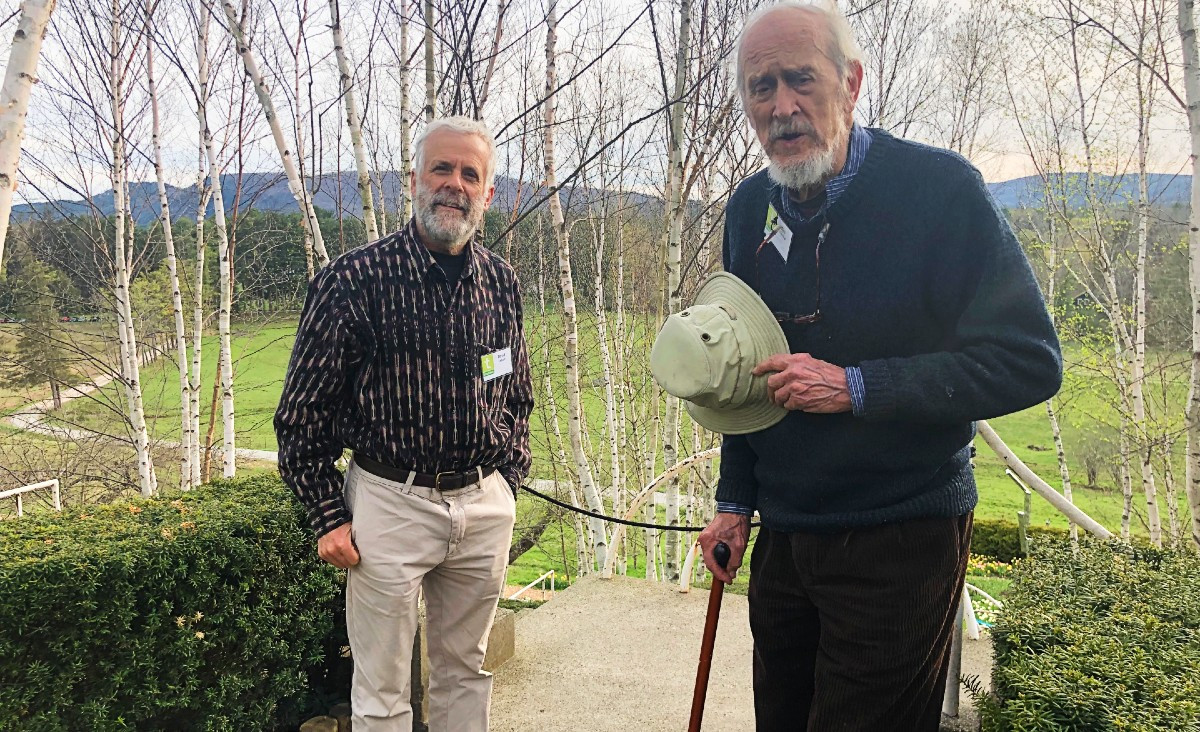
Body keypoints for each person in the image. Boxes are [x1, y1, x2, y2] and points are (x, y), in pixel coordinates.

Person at [694, 2, 1062, 730]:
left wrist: (857, 387)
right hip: (787, 536)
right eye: (760, 87)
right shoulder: (747, 209)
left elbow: (1029, 361)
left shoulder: (940, 192)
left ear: (852, 81)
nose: (782, 106)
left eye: (801, 80)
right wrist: (734, 499)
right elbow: (744, 377)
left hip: (901, 534)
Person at [274, 116, 533, 732]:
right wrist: (327, 515)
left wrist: (507, 481)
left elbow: (516, 391)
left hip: (482, 505)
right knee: (383, 689)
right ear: (412, 179)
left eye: (471, 174)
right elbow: (301, 415)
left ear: (487, 193)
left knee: (465, 673)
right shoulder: (353, 281)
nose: (455, 184)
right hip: (389, 505)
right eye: (441, 169)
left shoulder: (500, 283)